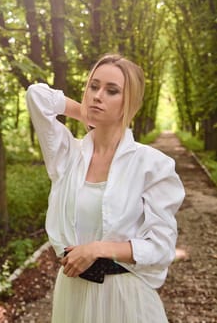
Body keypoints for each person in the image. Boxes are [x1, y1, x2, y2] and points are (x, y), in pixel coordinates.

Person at [26, 53, 185, 323]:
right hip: (72, 295)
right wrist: (84, 113)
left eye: (112, 91)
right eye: (93, 86)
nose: (98, 95)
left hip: (124, 299)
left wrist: (98, 248)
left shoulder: (153, 165)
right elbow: (36, 96)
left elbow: (161, 248)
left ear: (129, 102)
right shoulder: (67, 155)